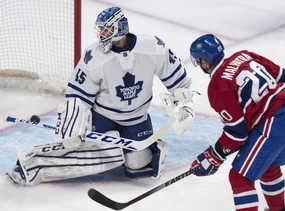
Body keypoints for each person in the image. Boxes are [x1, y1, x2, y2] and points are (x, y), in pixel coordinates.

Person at [7, 7, 195, 185]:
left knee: (138, 165)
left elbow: (180, 84)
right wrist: (71, 125)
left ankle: (141, 148)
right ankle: (32, 164)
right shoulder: (93, 56)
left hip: (136, 118)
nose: (102, 34)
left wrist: (185, 106)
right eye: (101, 30)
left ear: (121, 28)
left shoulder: (153, 47)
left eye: (107, 29)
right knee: (96, 154)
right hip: (104, 116)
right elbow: (77, 95)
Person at [189, 34, 285, 211]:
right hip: (283, 109)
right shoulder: (244, 55)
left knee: (239, 177)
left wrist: (213, 155)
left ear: (204, 62)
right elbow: (284, 76)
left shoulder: (217, 85)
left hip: (275, 122)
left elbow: (237, 133)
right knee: (267, 164)